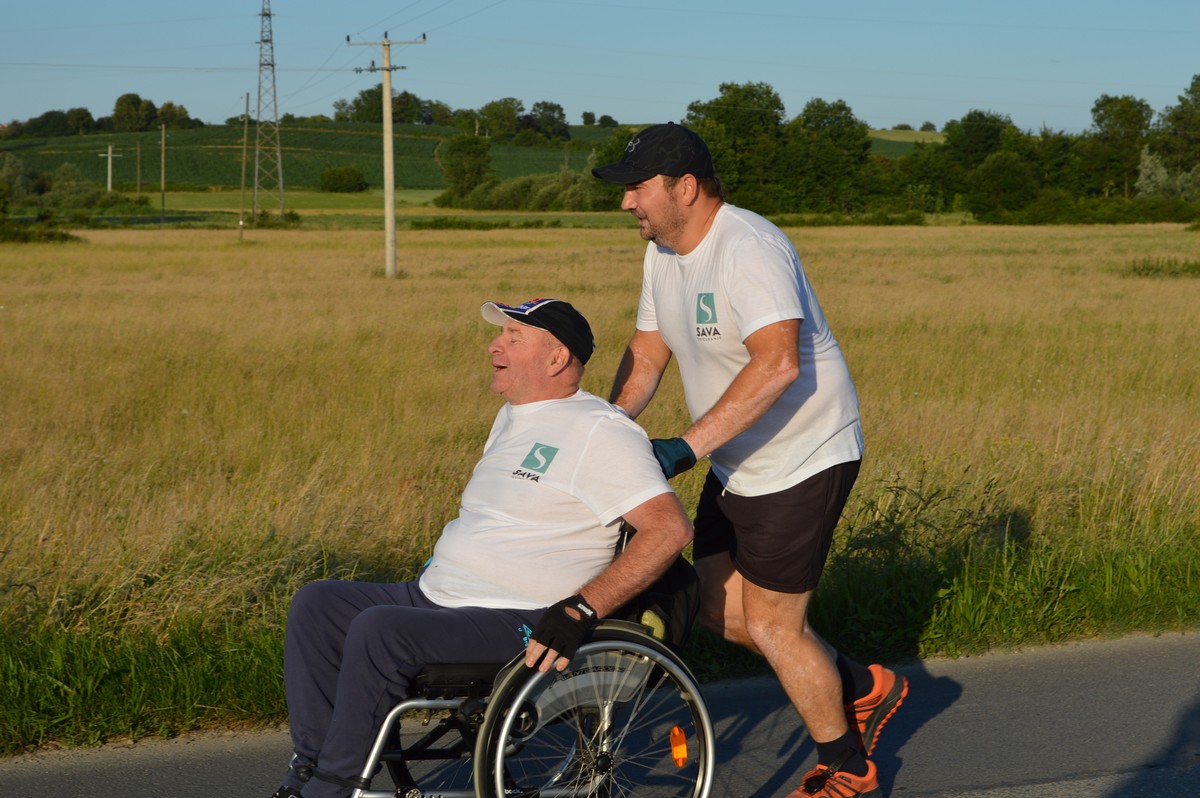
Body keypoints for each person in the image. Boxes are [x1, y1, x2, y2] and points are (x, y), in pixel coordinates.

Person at [593, 123, 907, 798]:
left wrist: (685, 447)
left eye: (636, 189)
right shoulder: (664, 252)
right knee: (718, 612)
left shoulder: (749, 247)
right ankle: (861, 685)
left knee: (771, 623)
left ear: (684, 186)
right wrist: (608, 429)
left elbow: (778, 363)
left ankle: (847, 768)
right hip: (737, 457)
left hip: (805, 454)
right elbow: (649, 350)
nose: (626, 205)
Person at [270, 297, 693, 798]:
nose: (495, 345)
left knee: (378, 630)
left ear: (557, 359)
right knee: (318, 604)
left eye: (515, 337)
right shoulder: (515, 416)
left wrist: (581, 608)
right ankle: (313, 765)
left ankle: (333, 786)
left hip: (518, 617)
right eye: (501, 335)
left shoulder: (602, 434)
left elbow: (668, 530)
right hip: (442, 595)